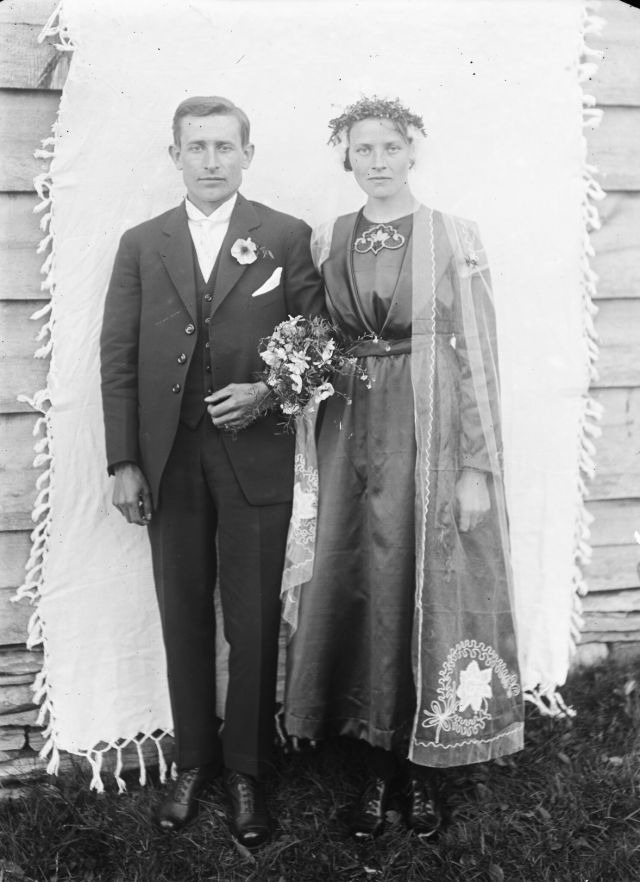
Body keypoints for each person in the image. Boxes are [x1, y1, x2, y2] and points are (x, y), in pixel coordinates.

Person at [282, 96, 524, 838]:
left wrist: (476, 467)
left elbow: (478, 357)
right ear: (347, 158)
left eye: (390, 147)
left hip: (431, 429)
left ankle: (423, 771)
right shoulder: (331, 237)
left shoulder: (454, 235)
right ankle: (370, 763)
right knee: (356, 579)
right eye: (363, 150)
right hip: (349, 432)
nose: (378, 162)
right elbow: (316, 335)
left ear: (413, 151)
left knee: (425, 580)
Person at [100, 95, 324, 846]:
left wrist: (266, 391)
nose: (210, 160)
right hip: (170, 459)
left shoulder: (285, 236)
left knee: (254, 617)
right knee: (183, 608)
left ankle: (249, 771)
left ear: (247, 155)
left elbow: (320, 341)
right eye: (195, 147)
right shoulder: (142, 243)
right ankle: (194, 758)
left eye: (224, 147)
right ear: (175, 157)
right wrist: (125, 460)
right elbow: (120, 358)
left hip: (253, 455)